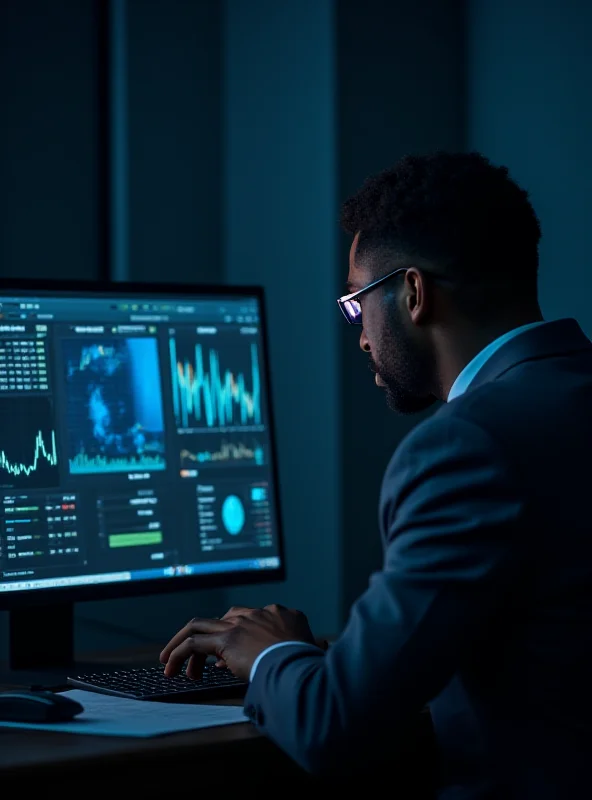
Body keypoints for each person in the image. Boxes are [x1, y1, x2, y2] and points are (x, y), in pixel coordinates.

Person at [160, 152, 592, 797]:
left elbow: (335, 727)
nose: (361, 337)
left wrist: (273, 655)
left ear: (413, 293)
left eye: (357, 306)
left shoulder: (465, 448)